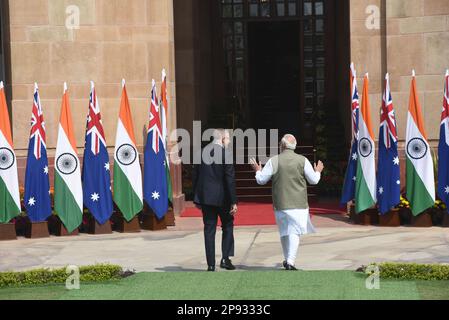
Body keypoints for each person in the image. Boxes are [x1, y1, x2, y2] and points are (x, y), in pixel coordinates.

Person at [250, 134, 324, 270]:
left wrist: (258, 171)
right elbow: (314, 180)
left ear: (282, 146)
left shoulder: (274, 161)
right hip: (298, 203)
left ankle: (287, 259)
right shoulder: (303, 160)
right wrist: (318, 171)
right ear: (294, 146)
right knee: (294, 231)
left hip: (281, 203)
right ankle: (290, 261)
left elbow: (261, 180)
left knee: (285, 231)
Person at [193, 129, 238, 272]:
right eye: (228, 139)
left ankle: (210, 264)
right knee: (228, 225)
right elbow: (230, 179)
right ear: (222, 139)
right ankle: (225, 259)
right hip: (223, 199)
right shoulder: (227, 154)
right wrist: (233, 201)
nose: (229, 141)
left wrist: (197, 198)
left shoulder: (200, 153)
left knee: (209, 230)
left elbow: (195, 177)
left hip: (206, 198)